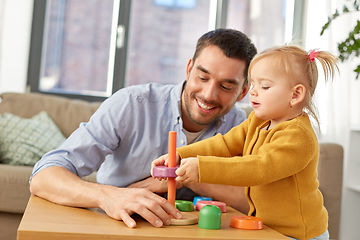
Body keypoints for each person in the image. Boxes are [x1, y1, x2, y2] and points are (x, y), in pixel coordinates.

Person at [29, 28, 257, 229]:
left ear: (243, 92)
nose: (209, 95)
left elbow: (256, 202)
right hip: (120, 228)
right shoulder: (132, 104)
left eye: (226, 86)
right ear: (189, 69)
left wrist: (190, 176)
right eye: (202, 77)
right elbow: (43, 176)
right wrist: (109, 197)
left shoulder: (243, 126)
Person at [152, 45, 339, 239]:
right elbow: (224, 144)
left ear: (295, 95)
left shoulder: (298, 137)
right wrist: (182, 154)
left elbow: (259, 168)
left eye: (264, 86)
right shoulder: (258, 122)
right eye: (253, 84)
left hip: (298, 234)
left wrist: (203, 169)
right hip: (266, 227)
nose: (253, 92)